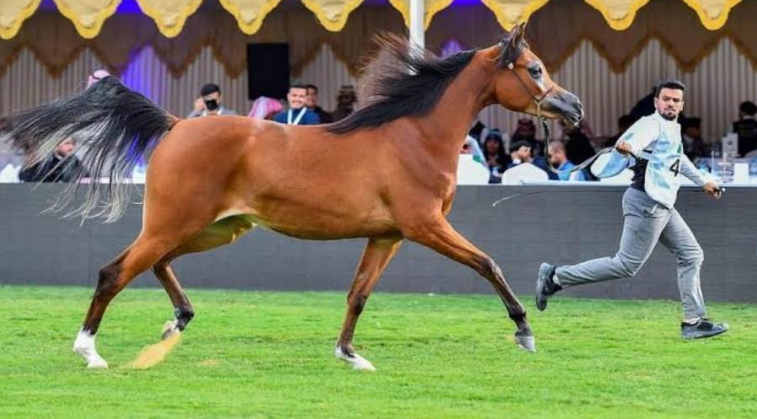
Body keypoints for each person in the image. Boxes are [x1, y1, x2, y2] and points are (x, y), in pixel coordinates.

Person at [535, 80, 728, 340]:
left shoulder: (672, 128)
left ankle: (693, 322)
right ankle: (556, 277)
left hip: (661, 203)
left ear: (682, 105)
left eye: (675, 100)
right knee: (626, 265)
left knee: (692, 255)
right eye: (666, 99)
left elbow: (678, 158)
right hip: (647, 202)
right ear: (656, 102)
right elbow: (636, 140)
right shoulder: (650, 124)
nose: (670, 103)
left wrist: (703, 182)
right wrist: (630, 148)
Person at [19, 138, 85, 182]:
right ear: (56, 145)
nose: (71, 147)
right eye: (67, 143)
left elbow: (86, 178)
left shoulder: (74, 161)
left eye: (73, 144)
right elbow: (23, 175)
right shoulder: (42, 159)